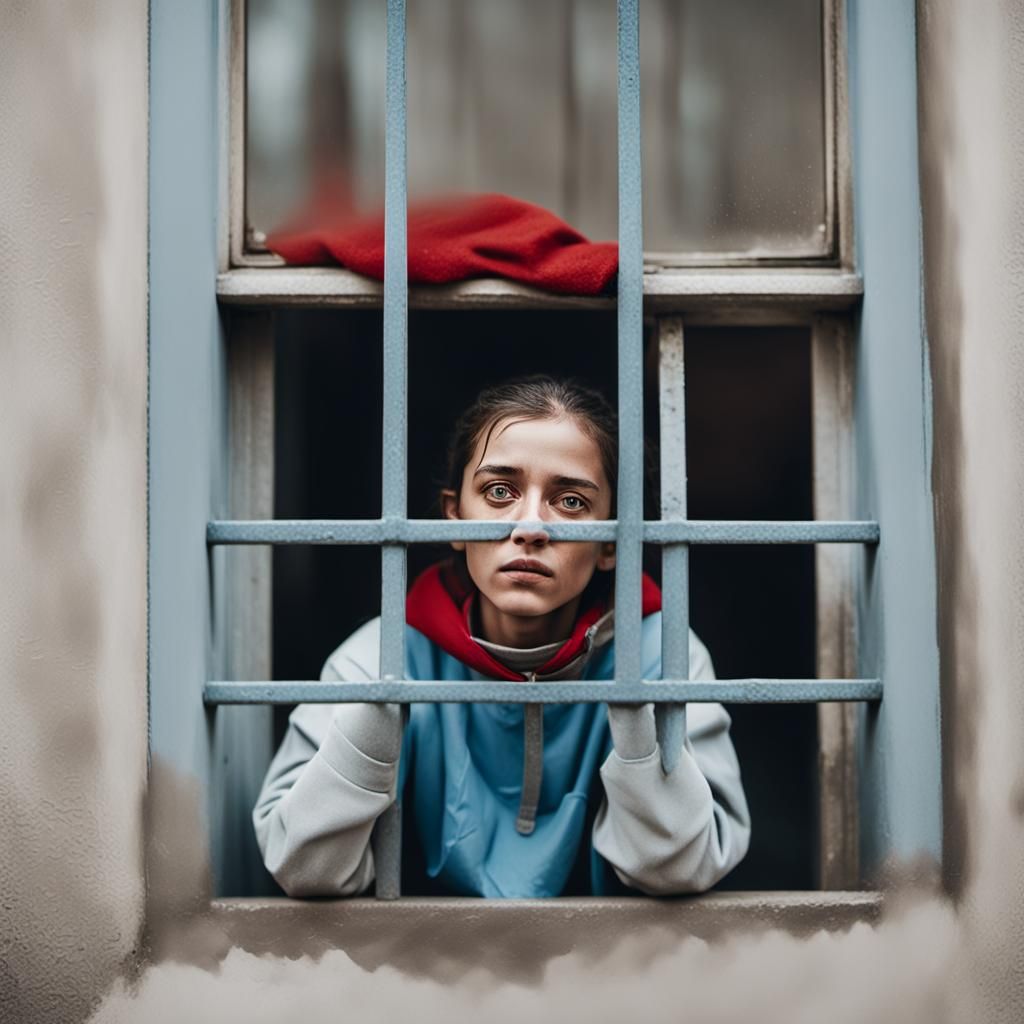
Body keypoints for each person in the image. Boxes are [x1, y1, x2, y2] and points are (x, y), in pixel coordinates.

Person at [253, 376, 750, 898]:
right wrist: (376, 718)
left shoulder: (664, 655)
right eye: (498, 492)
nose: (530, 526)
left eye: (572, 502)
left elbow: (685, 869)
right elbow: (301, 867)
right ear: (455, 516)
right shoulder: (380, 657)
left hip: (614, 967)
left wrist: (635, 729)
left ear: (613, 542)